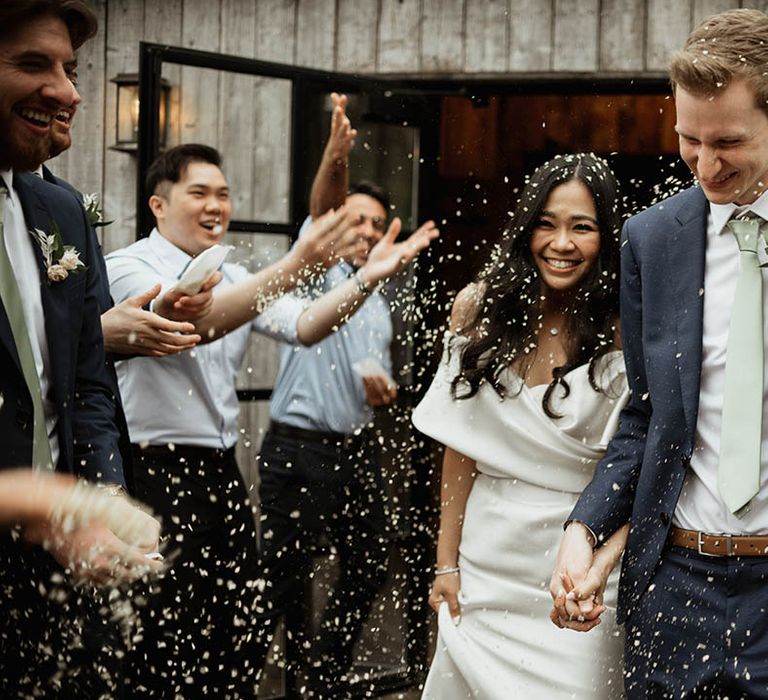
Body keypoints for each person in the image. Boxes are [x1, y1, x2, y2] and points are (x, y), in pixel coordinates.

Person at [106, 143, 436, 697]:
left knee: (236, 628)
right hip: (152, 471)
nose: (216, 205)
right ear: (158, 205)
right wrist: (296, 265)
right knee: (163, 625)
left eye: (224, 194)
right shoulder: (130, 266)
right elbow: (194, 320)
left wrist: (365, 279)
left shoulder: (233, 271)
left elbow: (305, 325)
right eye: (200, 193)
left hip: (220, 471)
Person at [551, 8, 768, 698]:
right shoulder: (653, 239)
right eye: (688, 139)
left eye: (729, 141)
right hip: (675, 588)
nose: (705, 164)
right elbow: (645, 417)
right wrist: (585, 527)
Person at [413, 153, 628, 699]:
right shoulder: (476, 310)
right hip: (486, 567)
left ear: (607, 236)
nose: (562, 243)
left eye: (582, 227)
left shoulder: (627, 323)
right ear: (526, 227)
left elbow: (643, 458)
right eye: (547, 224)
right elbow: (460, 450)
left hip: (578, 566)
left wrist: (601, 561)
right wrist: (446, 564)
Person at [252, 93, 438, 698]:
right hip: (295, 450)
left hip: (354, 451)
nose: (360, 229)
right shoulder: (319, 274)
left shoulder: (379, 304)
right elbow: (323, 208)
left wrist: (379, 389)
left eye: (371, 221)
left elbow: (371, 377)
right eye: (350, 219)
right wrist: (338, 153)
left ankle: (323, 671)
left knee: (368, 564)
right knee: (286, 572)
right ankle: (288, 671)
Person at [0, 1, 160, 696]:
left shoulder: (59, 213)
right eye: (32, 64)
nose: (67, 91)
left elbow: (87, 384)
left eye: (69, 69)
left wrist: (99, 504)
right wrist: (31, 498)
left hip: (49, 579)